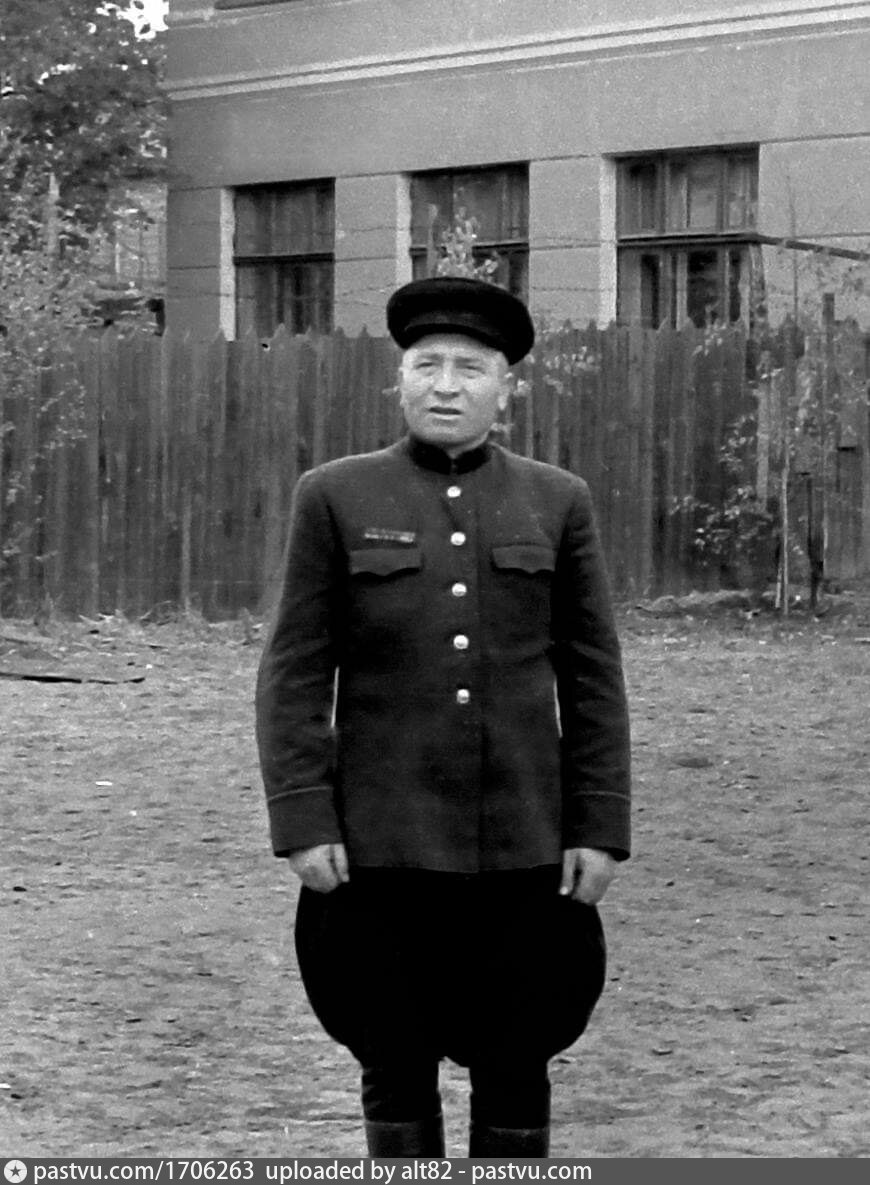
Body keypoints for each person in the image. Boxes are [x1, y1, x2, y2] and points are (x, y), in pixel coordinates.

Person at [255, 276, 631, 1159]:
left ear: (506, 387)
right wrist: (304, 822)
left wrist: (599, 826)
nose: (447, 386)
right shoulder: (335, 495)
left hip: (526, 846)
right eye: (427, 365)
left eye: (471, 368)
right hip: (378, 845)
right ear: (400, 379)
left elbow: (593, 678)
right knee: (392, 1053)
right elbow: (294, 674)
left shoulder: (556, 500)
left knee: (519, 1055)